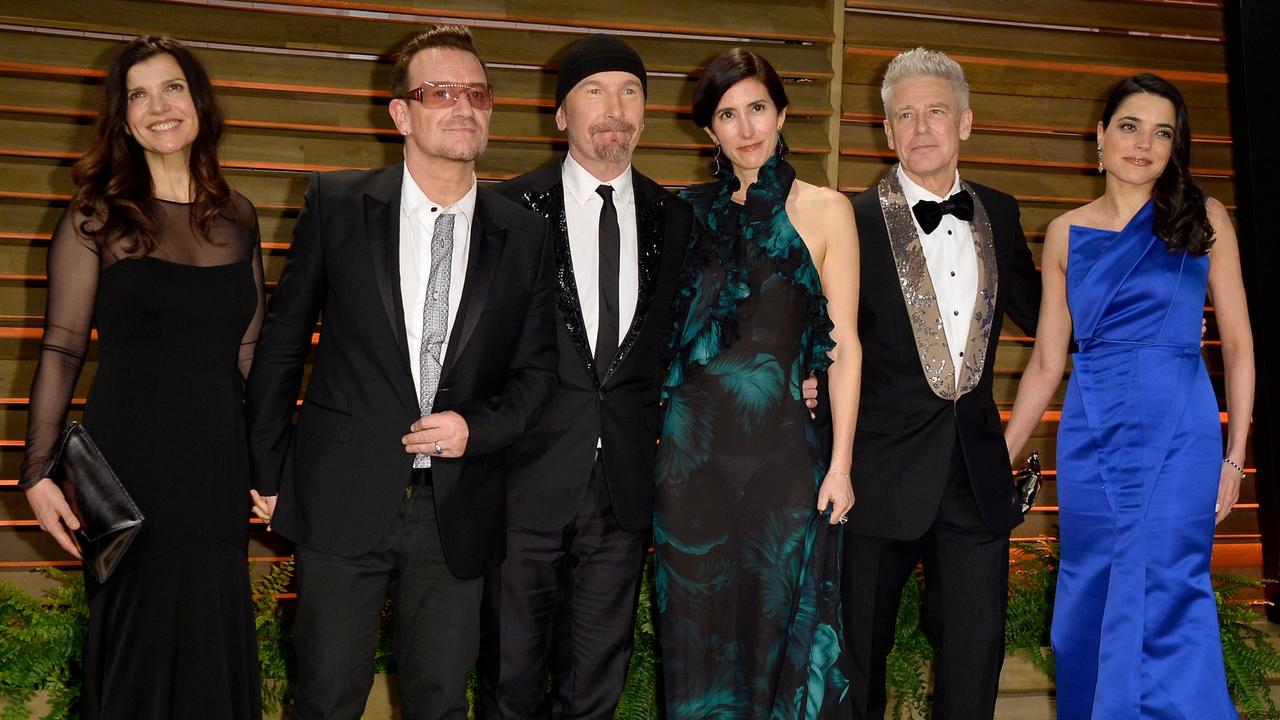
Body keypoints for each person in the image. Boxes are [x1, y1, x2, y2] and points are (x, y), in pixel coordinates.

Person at [243, 25, 558, 720]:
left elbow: (538, 375)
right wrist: (267, 474)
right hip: (338, 497)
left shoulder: (525, 233)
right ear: (400, 114)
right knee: (325, 698)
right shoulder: (336, 204)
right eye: (439, 91)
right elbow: (282, 347)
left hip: (458, 509)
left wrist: (476, 428)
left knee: (441, 701)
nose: (462, 107)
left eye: (476, 93)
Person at [19, 36, 265, 719]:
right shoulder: (95, 217)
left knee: (212, 647)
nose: (158, 106)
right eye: (138, 95)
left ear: (199, 102)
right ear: (121, 118)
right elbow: (62, 348)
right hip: (128, 474)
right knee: (137, 651)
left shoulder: (238, 217)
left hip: (217, 470)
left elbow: (250, 353)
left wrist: (271, 469)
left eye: (173, 88)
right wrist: (37, 472)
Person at [1004, 73, 1252, 719]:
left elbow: (1241, 347)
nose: (1143, 144)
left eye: (1162, 132)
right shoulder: (1063, 233)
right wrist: (996, 454)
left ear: (1176, 147)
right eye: (1129, 126)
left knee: (1172, 587)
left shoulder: (1204, 216)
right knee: (1091, 588)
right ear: (1101, 136)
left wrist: (1235, 457)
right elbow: (1047, 363)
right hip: (1091, 431)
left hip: (1182, 427)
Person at [476, 36, 696, 720]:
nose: (616, 109)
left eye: (630, 92)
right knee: (510, 677)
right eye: (595, 92)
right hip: (523, 483)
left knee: (596, 683)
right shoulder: (508, 210)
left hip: (624, 491)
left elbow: (692, 341)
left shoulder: (676, 216)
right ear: (561, 113)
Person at [654, 48, 860, 719]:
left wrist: (842, 466)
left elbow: (847, 347)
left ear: (782, 114)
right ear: (709, 131)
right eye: (726, 114)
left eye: (757, 109)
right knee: (697, 641)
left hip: (781, 461)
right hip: (690, 464)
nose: (745, 128)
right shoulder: (684, 214)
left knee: (778, 636)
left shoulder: (826, 211)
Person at [842, 47, 1041, 719]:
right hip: (872, 475)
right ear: (886, 127)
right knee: (856, 662)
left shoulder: (1004, 214)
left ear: (965, 122)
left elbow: (1049, 316)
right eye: (905, 114)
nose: (920, 127)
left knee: (974, 659)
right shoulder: (853, 219)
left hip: (975, 480)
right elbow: (819, 338)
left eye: (935, 112)